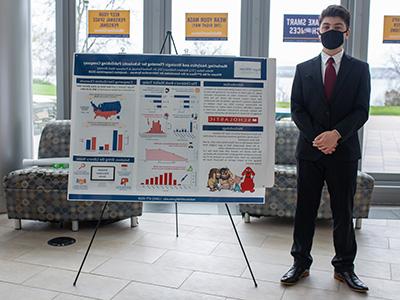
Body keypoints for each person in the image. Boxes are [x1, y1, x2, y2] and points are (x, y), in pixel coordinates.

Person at [280, 5, 371, 293]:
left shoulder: (360, 69)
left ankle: (345, 267)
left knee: (343, 211)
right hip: (310, 151)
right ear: (318, 30)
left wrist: (336, 135)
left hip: (344, 153)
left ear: (347, 31)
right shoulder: (303, 69)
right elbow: (297, 109)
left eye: (337, 27)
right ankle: (300, 263)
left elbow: (361, 111)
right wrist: (320, 137)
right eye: (326, 26)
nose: (331, 31)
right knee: (304, 209)